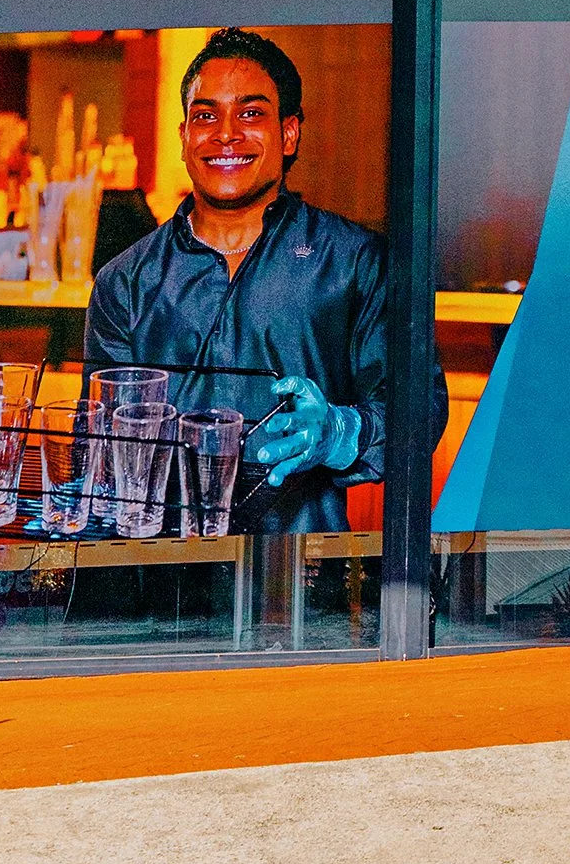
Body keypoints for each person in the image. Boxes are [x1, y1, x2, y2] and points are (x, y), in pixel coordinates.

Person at [83, 29, 444, 533]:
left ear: (289, 133)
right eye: (206, 116)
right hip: (156, 576)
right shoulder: (125, 281)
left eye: (250, 113)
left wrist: (341, 432)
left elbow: (419, 410)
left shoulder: (355, 261)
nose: (225, 133)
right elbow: (101, 449)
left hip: (305, 577)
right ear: (184, 135)